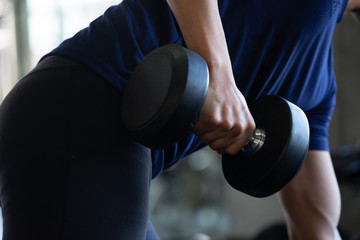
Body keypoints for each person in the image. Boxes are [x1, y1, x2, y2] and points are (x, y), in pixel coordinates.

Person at [0, 0, 359, 239]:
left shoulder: (316, 87)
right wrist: (218, 73)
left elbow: (318, 226)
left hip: (117, 157)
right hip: (77, 108)